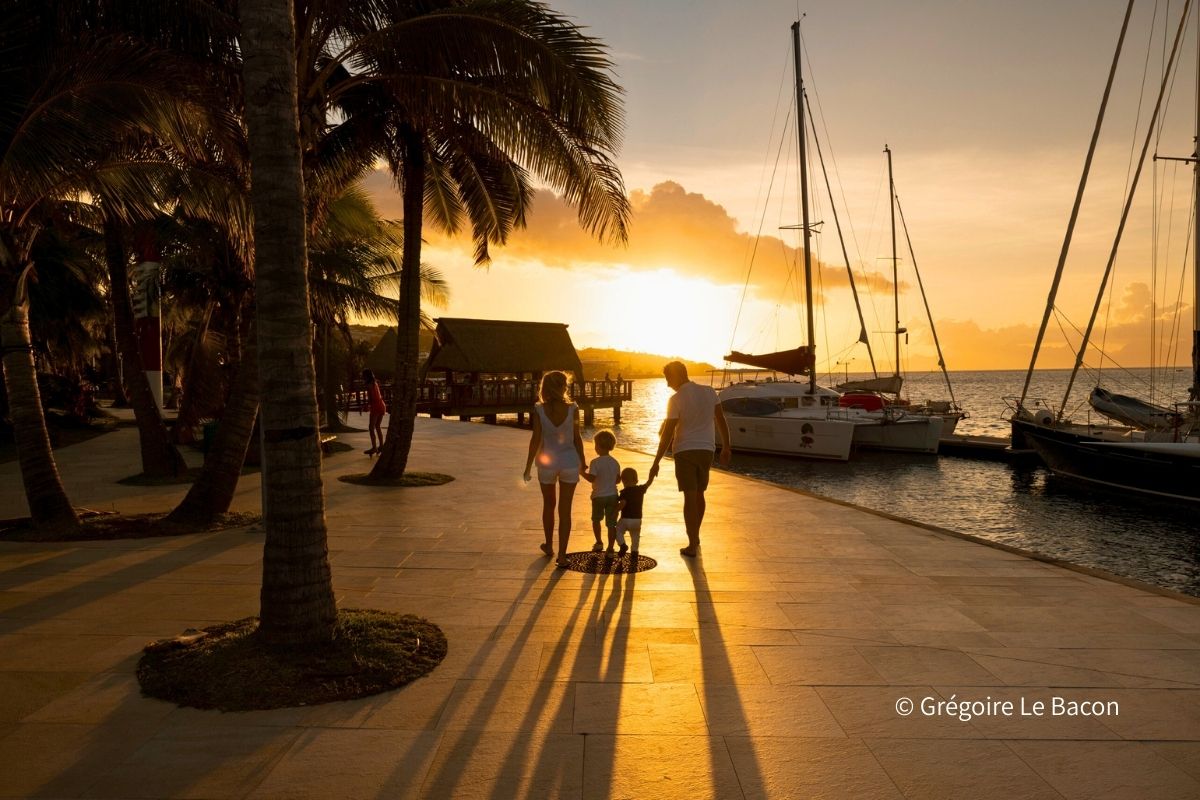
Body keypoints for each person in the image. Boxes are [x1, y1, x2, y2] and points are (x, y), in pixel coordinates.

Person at [649, 361, 732, 557]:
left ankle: (692, 542)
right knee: (699, 494)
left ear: (677, 375)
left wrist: (656, 462)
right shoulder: (710, 392)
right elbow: (721, 420)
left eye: (668, 378)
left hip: (685, 450)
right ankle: (695, 536)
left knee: (689, 496)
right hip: (707, 449)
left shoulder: (676, 399)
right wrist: (727, 446)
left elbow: (667, 433)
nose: (668, 384)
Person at [524, 371, 586, 567]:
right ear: (563, 387)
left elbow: (535, 439)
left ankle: (549, 545)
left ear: (545, 387)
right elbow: (577, 438)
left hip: (547, 463)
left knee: (548, 505)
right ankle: (562, 555)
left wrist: (527, 467)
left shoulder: (539, 409)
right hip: (569, 461)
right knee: (565, 510)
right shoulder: (573, 408)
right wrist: (582, 462)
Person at [581, 429, 620, 553]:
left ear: (598, 446)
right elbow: (617, 481)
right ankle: (610, 548)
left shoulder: (595, 462)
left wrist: (581, 472)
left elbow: (591, 478)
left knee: (596, 519)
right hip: (613, 496)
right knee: (611, 523)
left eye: (595, 445)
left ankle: (599, 542)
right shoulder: (615, 463)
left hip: (598, 496)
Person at [615, 467, 654, 557]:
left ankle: (622, 545)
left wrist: (615, 510)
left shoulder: (624, 492)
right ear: (636, 480)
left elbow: (623, 503)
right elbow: (649, 482)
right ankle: (635, 551)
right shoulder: (641, 489)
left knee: (617, 531)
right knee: (635, 536)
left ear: (623, 481)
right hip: (637, 520)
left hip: (625, 519)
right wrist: (652, 474)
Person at [363, 369, 387, 455]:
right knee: (377, 426)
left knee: (371, 427)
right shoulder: (375, 383)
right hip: (382, 405)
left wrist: (367, 405)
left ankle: (374, 448)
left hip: (376, 406)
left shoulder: (369, 385)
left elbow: (371, 398)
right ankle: (381, 446)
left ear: (366, 376)